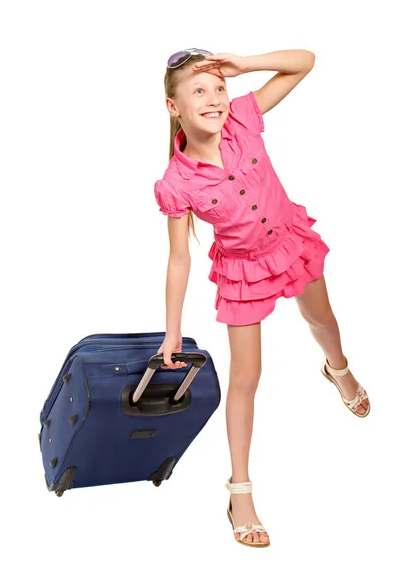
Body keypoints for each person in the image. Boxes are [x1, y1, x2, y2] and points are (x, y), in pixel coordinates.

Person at [153, 48, 371, 548]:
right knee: (246, 377)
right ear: (174, 107)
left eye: (217, 88)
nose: (213, 100)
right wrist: (171, 330)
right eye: (198, 91)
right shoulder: (176, 182)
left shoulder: (243, 120)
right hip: (243, 271)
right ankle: (240, 491)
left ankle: (337, 368)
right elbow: (179, 259)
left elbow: (305, 61)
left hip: (289, 243)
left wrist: (242, 65)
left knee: (323, 322)